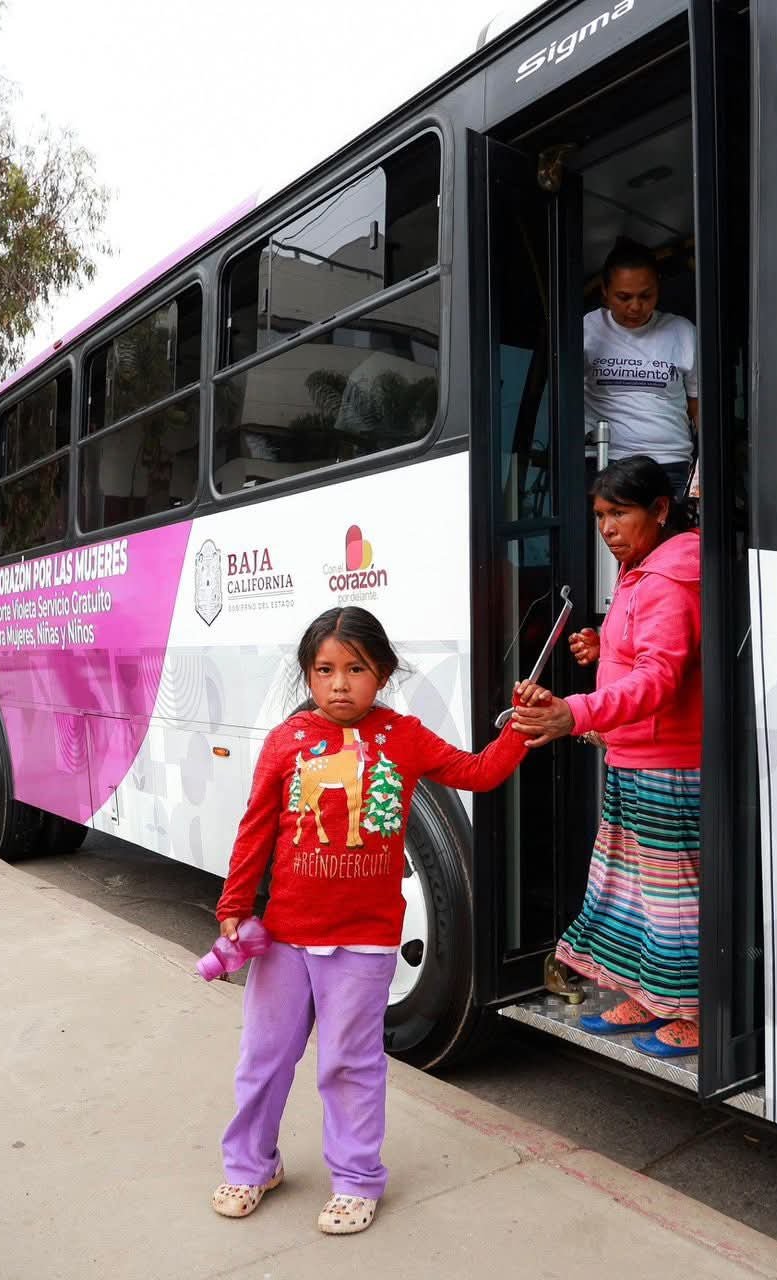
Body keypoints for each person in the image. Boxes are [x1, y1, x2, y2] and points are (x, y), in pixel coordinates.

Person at [212, 606, 530, 1234]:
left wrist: (519, 728)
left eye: (355, 669)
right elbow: (256, 829)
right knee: (264, 1059)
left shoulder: (404, 738)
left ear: (381, 673)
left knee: (349, 1063)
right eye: (324, 669)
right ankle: (252, 1165)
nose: (338, 683)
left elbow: (478, 772)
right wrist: (234, 906)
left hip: (363, 943)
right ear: (308, 675)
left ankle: (357, 1181)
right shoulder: (285, 742)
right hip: (283, 940)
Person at [512, 456, 703, 1058]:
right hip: (636, 756)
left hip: (667, 763)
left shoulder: (669, 580)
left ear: (661, 510)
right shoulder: (642, 574)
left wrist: (577, 711)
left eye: (620, 513)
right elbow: (645, 654)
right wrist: (604, 646)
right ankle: (652, 997)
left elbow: (661, 680)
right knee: (635, 892)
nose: (607, 527)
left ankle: (694, 1014)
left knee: (672, 899)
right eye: (600, 515)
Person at [584, 238, 700, 497]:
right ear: (604, 290)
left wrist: (706, 461)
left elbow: (697, 405)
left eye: (646, 296)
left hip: (670, 464)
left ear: (658, 289)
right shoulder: (587, 330)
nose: (635, 306)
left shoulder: (682, 332)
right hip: (608, 462)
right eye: (624, 297)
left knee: (672, 538)